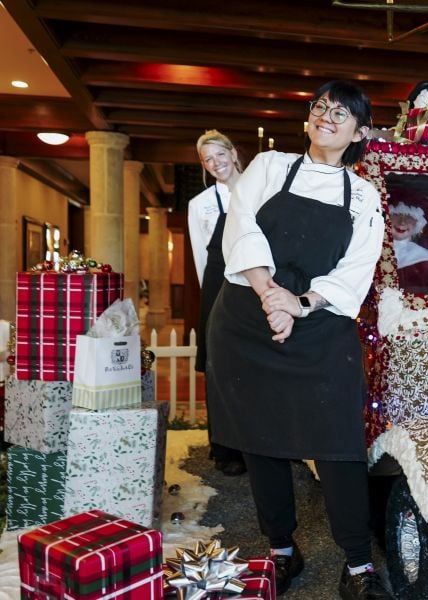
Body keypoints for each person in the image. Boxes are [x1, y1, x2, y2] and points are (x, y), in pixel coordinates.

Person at [205, 81, 392, 599]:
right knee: (261, 438)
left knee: (338, 446)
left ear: (360, 131)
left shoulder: (364, 196)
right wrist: (272, 296)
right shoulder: (269, 166)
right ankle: (281, 551)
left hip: (319, 325)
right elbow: (241, 229)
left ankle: (358, 565)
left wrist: (300, 304)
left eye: (342, 112)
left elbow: (356, 269)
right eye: (320, 107)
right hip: (248, 316)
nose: (326, 116)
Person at [187, 129, 247, 477]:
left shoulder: (261, 191)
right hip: (219, 288)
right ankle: (225, 448)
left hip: (255, 285)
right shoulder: (200, 205)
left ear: (233, 153)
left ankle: (260, 442)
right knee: (221, 369)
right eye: (207, 160)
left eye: (219, 155)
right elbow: (200, 257)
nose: (215, 164)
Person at [388, 189, 428, 293]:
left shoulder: (426, 260)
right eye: (397, 215)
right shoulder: (370, 250)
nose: (402, 222)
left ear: (418, 223)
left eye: (409, 217)